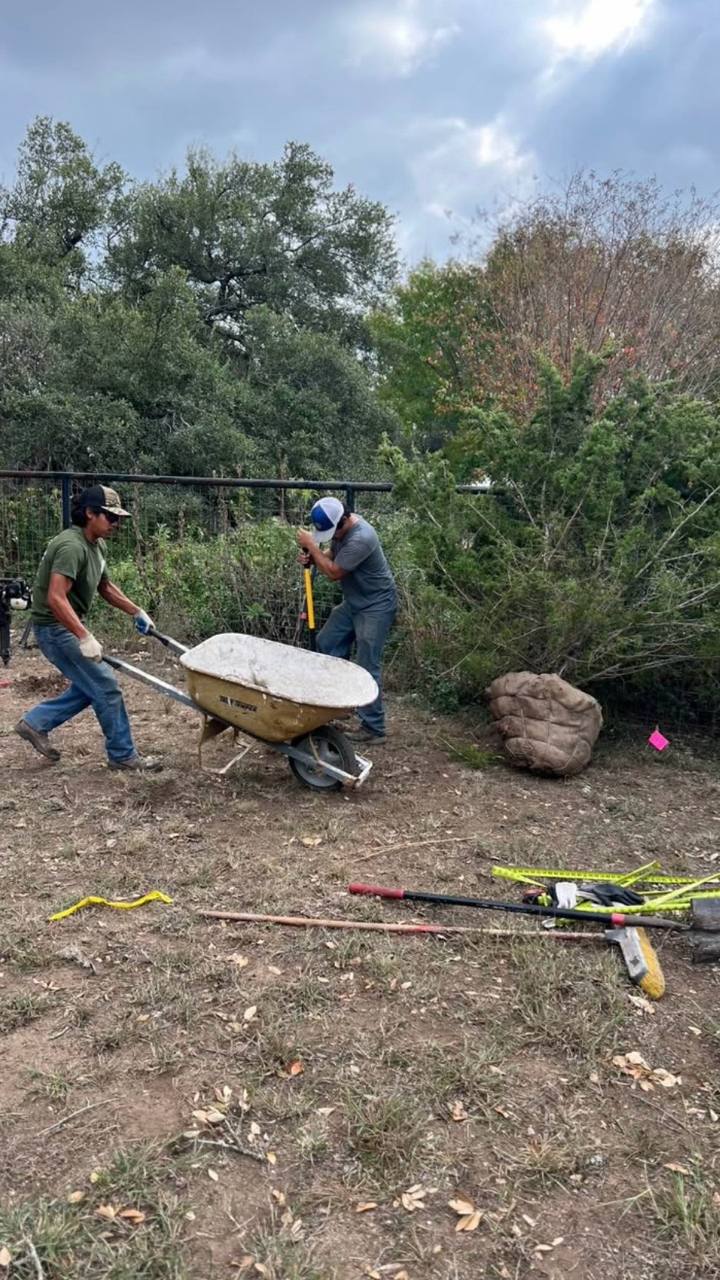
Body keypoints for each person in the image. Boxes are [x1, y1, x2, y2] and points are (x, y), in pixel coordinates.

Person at [15, 485, 162, 772]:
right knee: (106, 687)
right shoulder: (71, 546)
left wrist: (136, 611)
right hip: (54, 629)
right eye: (110, 517)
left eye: (118, 518)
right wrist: (84, 635)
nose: (116, 524)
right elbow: (55, 598)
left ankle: (35, 723)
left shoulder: (95, 544)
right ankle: (122, 756)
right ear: (89, 513)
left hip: (65, 625)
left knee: (90, 686)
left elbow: (105, 587)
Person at [297, 496, 397, 744]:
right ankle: (344, 702)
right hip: (354, 603)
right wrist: (314, 555)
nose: (332, 536)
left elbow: (333, 571)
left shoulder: (363, 537)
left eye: (332, 532)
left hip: (376, 605)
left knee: (367, 664)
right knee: (327, 642)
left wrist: (312, 547)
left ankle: (374, 728)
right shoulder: (342, 529)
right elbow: (333, 555)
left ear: (343, 520)